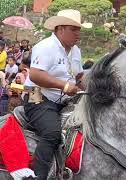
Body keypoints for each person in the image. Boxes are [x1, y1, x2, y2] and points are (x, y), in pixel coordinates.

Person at [18, 9, 91, 180]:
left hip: (63, 99)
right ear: (60, 29)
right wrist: (65, 86)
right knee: (51, 133)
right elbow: (35, 75)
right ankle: (39, 176)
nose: (78, 34)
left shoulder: (76, 51)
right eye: (73, 29)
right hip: (35, 95)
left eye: (79, 29)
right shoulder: (45, 47)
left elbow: (79, 77)